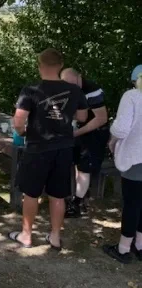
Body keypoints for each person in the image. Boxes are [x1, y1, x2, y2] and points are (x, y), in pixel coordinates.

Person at [9, 48, 88, 250]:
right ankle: (55, 237)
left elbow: (18, 121)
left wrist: (23, 132)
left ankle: (26, 236)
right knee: (58, 195)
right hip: (63, 148)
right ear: (61, 65)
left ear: (40, 65)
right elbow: (82, 117)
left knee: (31, 194)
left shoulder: (31, 89)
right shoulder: (74, 90)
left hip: (37, 148)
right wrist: (63, 114)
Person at [103, 65, 142, 264]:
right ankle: (140, 246)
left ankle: (123, 249)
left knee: (132, 204)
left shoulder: (132, 96)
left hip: (136, 157)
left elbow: (121, 129)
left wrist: (112, 141)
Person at [61, 68, 109, 218]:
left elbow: (101, 118)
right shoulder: (71, 90)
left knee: (85, 169)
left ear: (79, 77)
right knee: (79, 166)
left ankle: (76, 205)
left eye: (72, 83)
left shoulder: (93, 91)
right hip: (81, 132)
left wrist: (76, 133)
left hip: (95, 133)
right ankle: (80, 198)